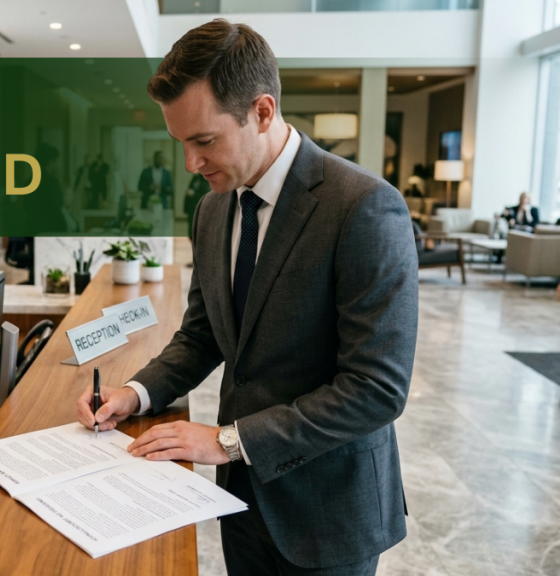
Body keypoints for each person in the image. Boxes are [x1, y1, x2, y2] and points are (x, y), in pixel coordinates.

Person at [76, 19, 417, 576]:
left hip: (328, 511)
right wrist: (136, 394)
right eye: (181, 143)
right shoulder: (213, 207)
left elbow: (376, 390)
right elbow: (204, 332)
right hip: (241, 502)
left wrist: (229, 441)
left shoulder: (363, 208)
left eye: (204, 140)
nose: (190, 164)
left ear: (262, 111)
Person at [183, 172, 210, 239]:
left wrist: (193, 194)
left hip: (200, 208)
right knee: (190, 230)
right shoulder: (194, 179)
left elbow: (205, 194)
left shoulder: (205, 180)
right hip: (191, 208)